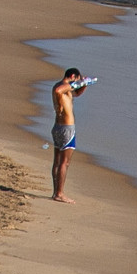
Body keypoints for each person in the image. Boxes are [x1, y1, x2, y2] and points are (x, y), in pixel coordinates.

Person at [52, 68, 91, 201]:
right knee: (64, 162)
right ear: (73, 76)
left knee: (58, 161)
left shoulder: (64, 88)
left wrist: (84, 84)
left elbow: (76, 93)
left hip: (58, 127)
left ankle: (56, 192)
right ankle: (59, 193)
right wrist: (75, 84)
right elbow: (59, 91)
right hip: (66, 128)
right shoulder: (60, 87)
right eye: (77, 79)